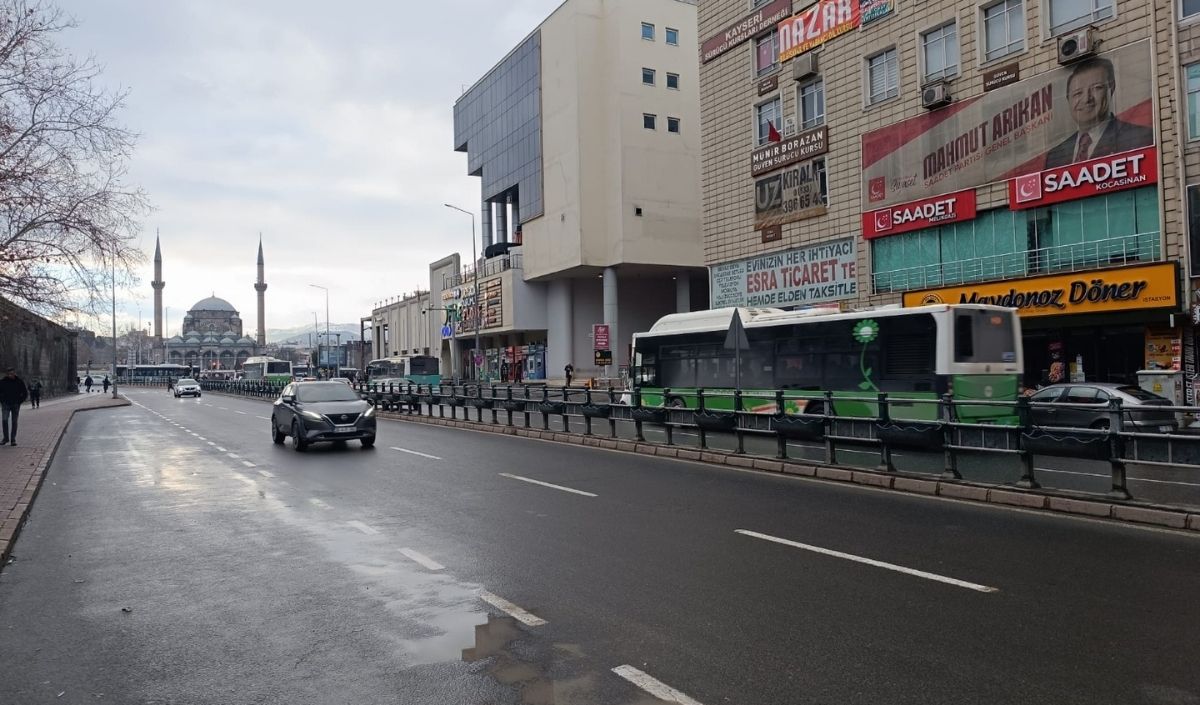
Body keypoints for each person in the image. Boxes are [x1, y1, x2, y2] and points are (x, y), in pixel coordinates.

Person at [1043, 57, 1154, 170]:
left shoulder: (1140, 137)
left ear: (1111, 89)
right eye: (1077, 93)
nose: (1087, 99)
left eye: (1097, 88)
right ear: (1068, 99)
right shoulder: (1055, 156)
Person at [1, 368, 28, 446]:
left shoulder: (19, 382)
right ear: (7, 374)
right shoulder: (3, 382)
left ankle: (13, 439)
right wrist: (2, 401)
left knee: (14, 421)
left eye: (12, 374)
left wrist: (19, 401)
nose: (11, 375)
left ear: (14, 374)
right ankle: (5, 438)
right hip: (5, 404)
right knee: (4, 420)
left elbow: (25, 393)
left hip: (15, 404)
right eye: (9, 374)